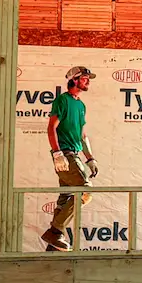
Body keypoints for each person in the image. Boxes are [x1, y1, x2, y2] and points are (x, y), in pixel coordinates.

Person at [40, 66, 99, 251]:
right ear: (74, 80)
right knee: (86, 191)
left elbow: (82, 135)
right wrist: (57, 153)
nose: (88, 81)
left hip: (73, 154)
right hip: (65, 154)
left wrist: (90, 158)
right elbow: (52, 128)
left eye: (88, 79)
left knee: (66, 196)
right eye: (84, 78)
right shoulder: (62, 100)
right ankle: (55, 231)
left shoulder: (81, 105)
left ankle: (54, 242)